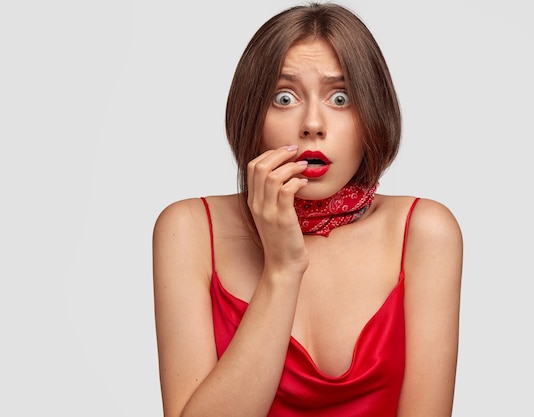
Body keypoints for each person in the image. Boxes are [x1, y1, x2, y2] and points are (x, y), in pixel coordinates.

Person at [152, 2, 463, 416]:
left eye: (340, 97)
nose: (313, 123)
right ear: (251, 115)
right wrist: (282, 269)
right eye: (284, 97)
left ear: (373, 113)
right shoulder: (189, 230)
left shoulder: (424, 232)